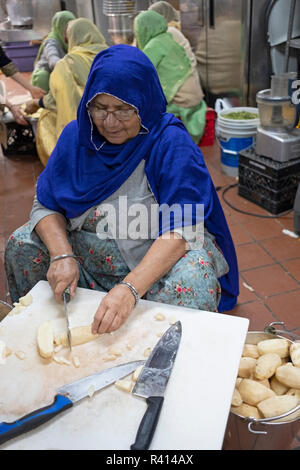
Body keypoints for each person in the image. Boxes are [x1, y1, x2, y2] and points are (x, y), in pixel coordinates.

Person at [5, 45, 239, 337]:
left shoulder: (170, 144)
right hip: (87, 261)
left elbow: (184, 229)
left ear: (145, 101)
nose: (110, 122)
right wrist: (63, 255)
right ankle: (40, 336)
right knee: (21, 244)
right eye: (99, 108)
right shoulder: (76, 138)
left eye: (124, 110)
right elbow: (45, 203)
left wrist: (130, 288)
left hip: (154, 263)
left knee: (193, 277)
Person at [25, 18, 108, 166]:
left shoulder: (67, 64)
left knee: (47, 118)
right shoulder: (111, 55)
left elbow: (55, 99)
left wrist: (36, 103)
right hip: (117, 127)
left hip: (85, 132)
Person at [134, 10, 207, 145]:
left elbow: (139, 72)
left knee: (143, 110)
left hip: (181, 103)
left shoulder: (154, 45)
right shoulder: (169, 38)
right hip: (196, 98)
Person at [30, 10, 76, 93]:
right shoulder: (51, 41)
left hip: (62, 71)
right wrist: (69, 66)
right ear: (60, 27)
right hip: (48, 73)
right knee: (42, 77)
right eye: (67, 27)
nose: (70, 30)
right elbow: (53, 59)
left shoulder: (72, 39)